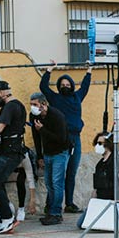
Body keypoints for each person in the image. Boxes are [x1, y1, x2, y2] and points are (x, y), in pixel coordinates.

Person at [39, 63, 92, 214]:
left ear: (72, 86)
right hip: (62, 139)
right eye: (62, 84)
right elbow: (43, 87)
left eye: (68, 84)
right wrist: (49, 69)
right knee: (57, 176)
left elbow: (86, 86)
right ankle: (51, 205)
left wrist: (89, 70)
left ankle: (69, 203)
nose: (65, 86)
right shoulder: (55, 99)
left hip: (76, 139)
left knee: (71, 172)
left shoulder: (77, 97)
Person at [0, 82, 26, 234]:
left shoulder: (10, 106)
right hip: (11, 152)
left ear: (1, 92)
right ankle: (4, 219)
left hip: (10, 153)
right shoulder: (17, 105)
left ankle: (7, 219)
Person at [76, 132, 119, 228]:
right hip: (101, 203)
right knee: (81, 224)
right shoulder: (99, 164)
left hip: (115, 203)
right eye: (97, 143)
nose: (98, 146)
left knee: (113, 226)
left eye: (100, 143)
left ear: (108, 144)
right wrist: (91, 205)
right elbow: (96, 188)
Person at [29, 92, 69, 226]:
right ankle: (51, 210)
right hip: (47, 153)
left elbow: (61, 139)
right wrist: (39, 156)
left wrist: (43, 130)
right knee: (49, 183)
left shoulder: (57, 116)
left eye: (35, 104)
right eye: (31, 104)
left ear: (44, 104)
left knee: (57, 183)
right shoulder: (34, 116)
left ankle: (56, 213)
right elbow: (36, 137)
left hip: (60, 152)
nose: (32, 107)